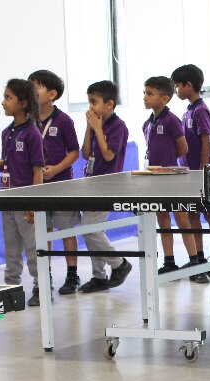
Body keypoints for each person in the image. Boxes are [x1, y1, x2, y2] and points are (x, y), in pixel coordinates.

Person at [0, 80, 45, 305]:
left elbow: (37, 170)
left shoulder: (32, 134)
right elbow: (11, 163)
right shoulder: (7, 132)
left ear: (23, 103)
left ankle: (42, 286)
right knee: (11, 244)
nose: (3, 102)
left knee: (32, 244)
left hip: (25, 196)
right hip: (7, 196)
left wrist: (33, 202)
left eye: (8, 98)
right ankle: (11, 288)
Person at [28, 69, 82, 296]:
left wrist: (56, 169)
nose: (31, 91)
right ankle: (44, 275)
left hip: (62, 184)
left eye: (36, 87)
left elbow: (74, 152)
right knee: (43, 231)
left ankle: (72, 274)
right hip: (39, 187)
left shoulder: (63, 121)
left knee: (67, 230)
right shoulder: (28, 121)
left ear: (52, 94)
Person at [77, 80, 134, 293]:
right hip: (91, 182)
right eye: (89, 102)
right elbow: (85, 153)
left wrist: (98, 129)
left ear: (109, 104)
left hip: (108, 184)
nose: (91, 107)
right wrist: (88, 128)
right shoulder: (95, 125)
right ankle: (98, 276)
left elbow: (109, 154)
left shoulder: (118, 127)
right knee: (92, 230)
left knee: (89, 227)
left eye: (94, 102)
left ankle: (119, 263)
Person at [141, 76, 199, 280]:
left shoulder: (171, 120)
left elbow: (183, 147)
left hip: (172, 179)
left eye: (150, 94)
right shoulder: (147, 124)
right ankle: (169, 262)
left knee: (182, 220)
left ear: (164, 99)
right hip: (154, 180)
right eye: (144, 93)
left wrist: (167, 166)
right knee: (162, 220)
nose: (145, 97)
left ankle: (194, 263)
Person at [172, 64, 210, 277]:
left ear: (188, 85)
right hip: (190, 173)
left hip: (203, 174)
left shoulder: (201, 110)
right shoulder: (187, 112)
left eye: (178, 85)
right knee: (193, 215)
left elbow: (206, 140)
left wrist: (203, 169)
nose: (176, 89)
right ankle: (199, 258)